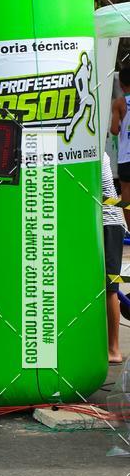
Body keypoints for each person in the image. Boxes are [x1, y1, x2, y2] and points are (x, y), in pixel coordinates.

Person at [103, 150, 125, 364]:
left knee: (110, 288)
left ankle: (114, 349)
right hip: (98, 224)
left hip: (109, 224)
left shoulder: (98, 156)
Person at [111, 68, 130, 230]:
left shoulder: (119, 103)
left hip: (126, 156)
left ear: (122, 84)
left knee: (126, 195)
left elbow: (114, 130)